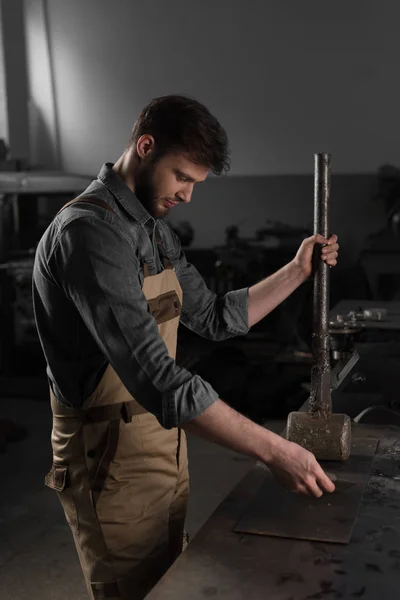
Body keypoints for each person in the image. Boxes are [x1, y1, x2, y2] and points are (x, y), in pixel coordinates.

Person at [33, 94, 338, 600]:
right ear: (145, 146)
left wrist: (298, 271)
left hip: (160, 448)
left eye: (195, 183)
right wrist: (273, 449)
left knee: (168, 583)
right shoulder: (89, 235)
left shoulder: (150, 230)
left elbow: (216, 317)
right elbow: (161, 382)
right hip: (109, 460)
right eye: (182, 177)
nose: (188, 195)